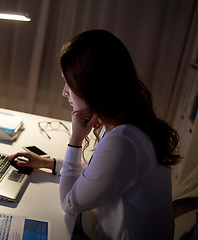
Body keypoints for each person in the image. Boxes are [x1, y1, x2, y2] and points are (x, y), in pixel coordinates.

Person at [9, 29, 180, 239]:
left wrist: (75, 140)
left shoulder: (122, 141)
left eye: (69, 83)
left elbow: (69, 202)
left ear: (93, 87)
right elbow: (98, 174)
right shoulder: (133, 124)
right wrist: (49, 163)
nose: (64, 92)